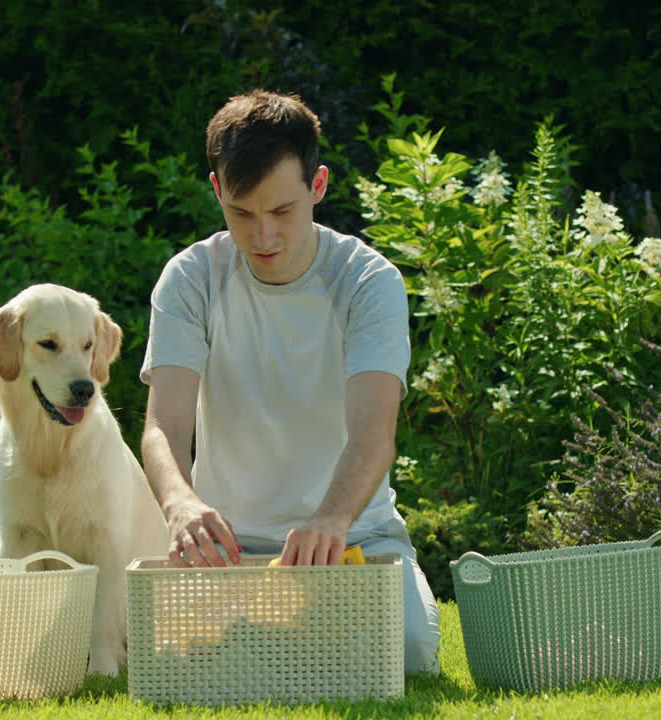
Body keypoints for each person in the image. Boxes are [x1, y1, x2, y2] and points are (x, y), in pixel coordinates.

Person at [139, 89, 440, 674]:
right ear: (218, 190)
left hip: (354, 539)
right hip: (228, 554)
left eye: (282, 212)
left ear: (318, 186)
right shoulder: (189, 278)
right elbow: (163, 424)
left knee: (407, 654)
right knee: (177, 665)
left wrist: (331, 518)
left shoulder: (368, 281)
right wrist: (179, 504)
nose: (263, 237)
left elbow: (374, 433)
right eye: (242, 214)